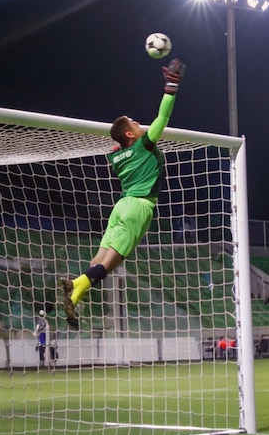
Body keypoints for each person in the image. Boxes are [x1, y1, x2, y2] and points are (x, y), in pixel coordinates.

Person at [60, 59, 186, 328]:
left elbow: (122, 148)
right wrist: (171, 86)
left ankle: (76, 295)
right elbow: (162, 117)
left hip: (120, 207)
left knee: (101, 258)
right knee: (109, 264)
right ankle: (77, 283)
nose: (139, 122)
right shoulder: (143, 145)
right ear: (130, 133)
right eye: (134, 122)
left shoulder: (116, 157)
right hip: (138, 207)